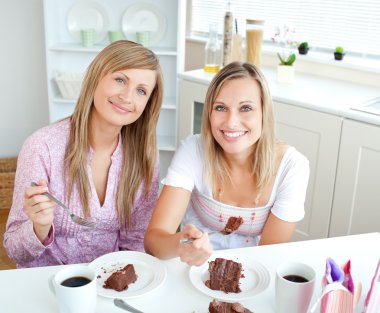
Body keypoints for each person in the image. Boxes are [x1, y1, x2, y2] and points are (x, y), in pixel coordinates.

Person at [4, 40, 163, 268]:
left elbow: (136, 241)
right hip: (45, 284)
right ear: (96, 77)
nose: (127, 97)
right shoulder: (42, 147)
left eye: (141, 90)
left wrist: (127, 283)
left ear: (148, 103)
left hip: (108, 281)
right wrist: (39, 227)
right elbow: (15, 250)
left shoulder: (143, 156)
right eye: (120, 80)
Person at [144, 61, 309, 266]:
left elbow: (267, 258)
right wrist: (180, 244)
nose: (231, 122)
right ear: (209, 114)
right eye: (221, 108)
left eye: (246, 108)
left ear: (264, 114)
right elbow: (153, 241)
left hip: (252, 272)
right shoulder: (193, 151)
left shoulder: (292, 168)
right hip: (192, 268)